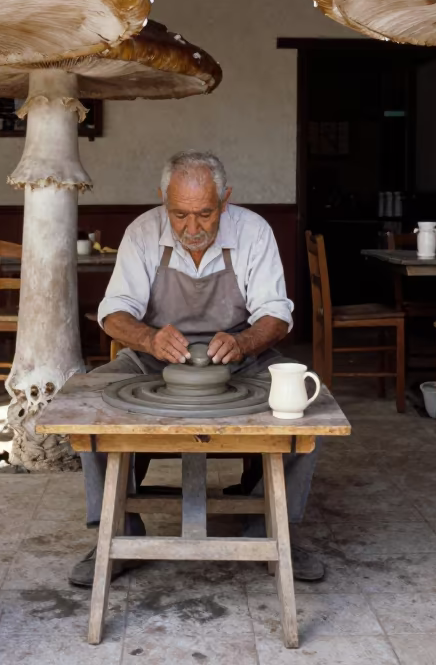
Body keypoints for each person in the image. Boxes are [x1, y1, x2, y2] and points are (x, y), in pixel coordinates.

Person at [68, 150, 324, 587]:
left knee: (303, 412)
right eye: (179, 214)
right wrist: (149, 338)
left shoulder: (253, 232)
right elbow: (113, 313)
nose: (191, 228)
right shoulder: (142, 232)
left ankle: (270, 529)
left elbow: (277, 314)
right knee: (88, 406)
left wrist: (243, 342)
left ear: (224, 201)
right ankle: (116, 533)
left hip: (241, 355)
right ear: (163, 200)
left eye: (205, 214)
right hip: (155, 356)